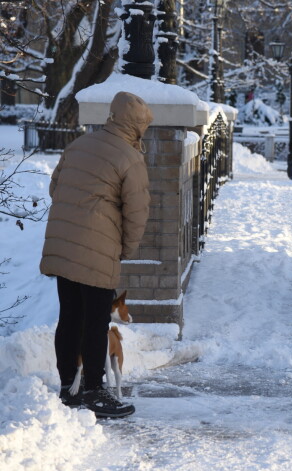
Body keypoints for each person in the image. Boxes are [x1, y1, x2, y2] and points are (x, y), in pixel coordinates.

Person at [40, 91, 153, 418]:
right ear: (137, 125)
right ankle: (94, 391)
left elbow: (55, 187)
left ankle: (67, 388)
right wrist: (125, 248)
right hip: (99, 249)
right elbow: (137, 212)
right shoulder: (130, 158)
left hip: (62, 245)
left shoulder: (78, 144)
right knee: (95, 321)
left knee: (70, 316)